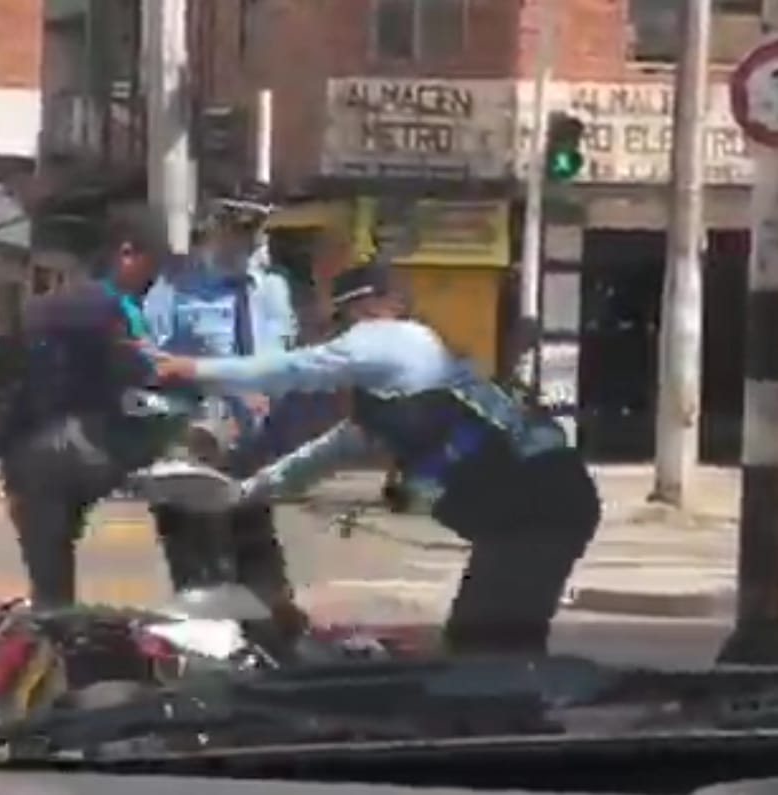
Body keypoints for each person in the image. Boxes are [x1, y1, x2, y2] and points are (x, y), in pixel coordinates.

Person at [151, 261, 602, 656]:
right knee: (486, 639)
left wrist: (192, 370)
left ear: (364, 307)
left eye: (342, 323)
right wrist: (244, 493)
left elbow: (293, 370)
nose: (342, 338)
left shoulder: (397, 340)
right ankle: (520, 725)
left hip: (536, 497)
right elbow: (320, 456)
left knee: (488, 646)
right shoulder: (394, 395)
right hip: (533, 505)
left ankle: (527, 734)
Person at [141, 202, 307, 641]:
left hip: (254, 447)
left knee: (259, 561)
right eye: (234, 231)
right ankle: (207, 659)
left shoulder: (272, 289)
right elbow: (147, 362)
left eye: (254, 231)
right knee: (201, 567)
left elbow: (284, 354)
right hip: (193, 444)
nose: (245, 242)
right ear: (210, 231)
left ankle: (272, 654)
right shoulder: (174, 289)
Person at [0, 207, 174, 613]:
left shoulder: (41, 307)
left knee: (49, 562)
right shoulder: (116, 311)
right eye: (153, 266)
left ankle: (54, 625)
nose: (154, 279)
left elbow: (6, 376)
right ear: (126, 254)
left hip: (33, 448)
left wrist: (7, 454)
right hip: (93, 443)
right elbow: (143, 374)